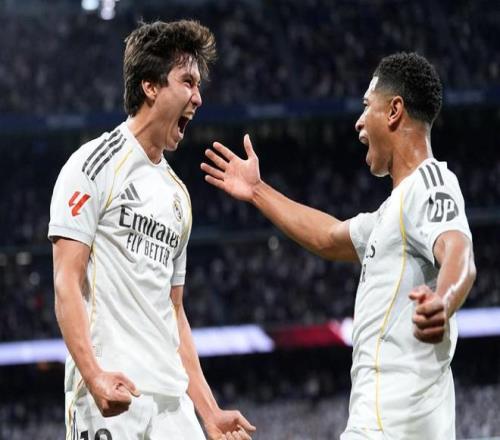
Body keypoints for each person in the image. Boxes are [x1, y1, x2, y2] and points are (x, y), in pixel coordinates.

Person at [201, 52, 476, 439]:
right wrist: (258, 191)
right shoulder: (391, 213)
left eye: (366, 105)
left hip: (391, 423)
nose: (359, 121)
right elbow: (328, 236)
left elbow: (459, 251)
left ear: (394, 110)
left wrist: (444, 301)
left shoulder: (430, 183)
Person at [49, 20, 255, 440]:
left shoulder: (177, 195)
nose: (198, 97)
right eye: (188, 82)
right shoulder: (93, 165)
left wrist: (209, 411)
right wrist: (93, 375)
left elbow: (174, 310)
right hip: (113, 394)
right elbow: (66, 280)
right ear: (150, 86)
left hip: (172, 404)